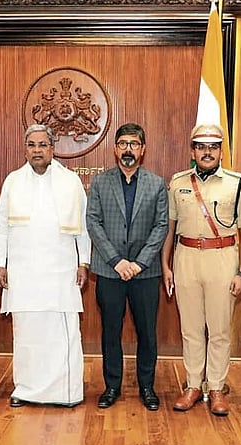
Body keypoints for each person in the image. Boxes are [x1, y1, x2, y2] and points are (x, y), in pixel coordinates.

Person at [161, 124, 241, 417]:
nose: (207, 152)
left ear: (221, 152)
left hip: (222, 257)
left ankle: (215, 387)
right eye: (201, 147)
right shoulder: (178, 183)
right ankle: (191, 385)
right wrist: (166, 264)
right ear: (192, 151)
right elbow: (170, 227)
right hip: (186, 256)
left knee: (219, 330)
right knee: (190, 329)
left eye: (213, 147)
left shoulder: (238, 183)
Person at [0, 124, 91, 407]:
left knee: (62, 336)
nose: (37, 150)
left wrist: (83, 262)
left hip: (60, 274)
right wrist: (0, 263)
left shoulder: (70, 181)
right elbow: (2, 227)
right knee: (26, 336)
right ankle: (25, 390)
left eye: (42, 145)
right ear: (25, 149)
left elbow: (83, 228)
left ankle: (66, 394)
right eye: (32, 145)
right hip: (23, 275)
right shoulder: (12, 181)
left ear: (52, 148)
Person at [86, 123, 168, 411]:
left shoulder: (157, 183)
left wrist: (139, 262)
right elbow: (93, 223)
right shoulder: (100, 182)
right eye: (123, 144)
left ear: (143, 149)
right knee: (111, 331)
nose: (128, 149)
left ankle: (147, 386)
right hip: (110, 271)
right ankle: (112, 386)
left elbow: (161, 226)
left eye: (134, 144)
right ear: (115, 149)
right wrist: (117, 261)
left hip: (145, 272)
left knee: (147, 332)